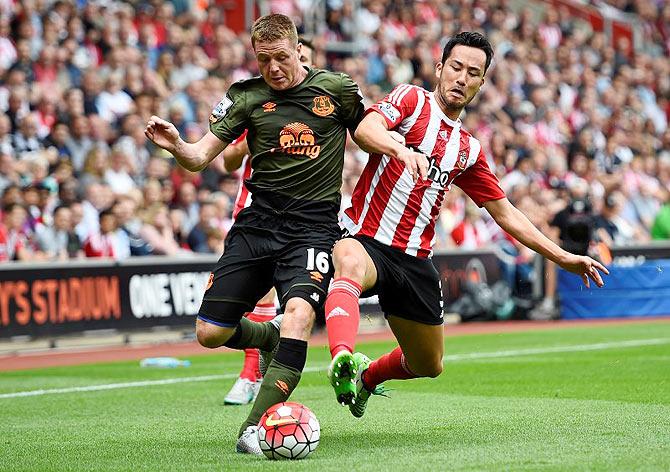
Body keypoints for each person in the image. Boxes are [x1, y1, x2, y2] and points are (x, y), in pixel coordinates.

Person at [144, 15, 400, 454]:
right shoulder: (245, 96)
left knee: (299, 314)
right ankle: (267, 336)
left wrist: (396, 147)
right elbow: (201, 156)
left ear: (297, 50)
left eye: (281, 57)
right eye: (264, 60)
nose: (274, 68)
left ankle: (250, 429)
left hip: (312, 230)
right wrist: (177, 146)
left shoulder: (335, 88)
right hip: (257, 225)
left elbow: (364, 130)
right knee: (209, 333)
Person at [323, 32, 609, 417]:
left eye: (472, 73)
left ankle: (367, 378)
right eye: (456, 67)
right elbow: (364, 130)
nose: (462, 78)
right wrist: (399, 148)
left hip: (414, 259)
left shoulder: (469, 149)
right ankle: (342, 358)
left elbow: (506, 213)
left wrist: (562, 256)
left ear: (482, 82)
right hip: (365, 237)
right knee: (350, 263)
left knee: (429, 364)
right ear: (440, 68)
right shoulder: (411, 100)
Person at [219, 37, 316, 407]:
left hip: (307, 212)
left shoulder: (322, 103)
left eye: (302, 59)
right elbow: (228, 161)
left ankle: (272, 371)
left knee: (296, 302)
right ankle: (249, 374)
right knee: (258, 294)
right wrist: (248, 143)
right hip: (256, 207)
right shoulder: (259, 103)